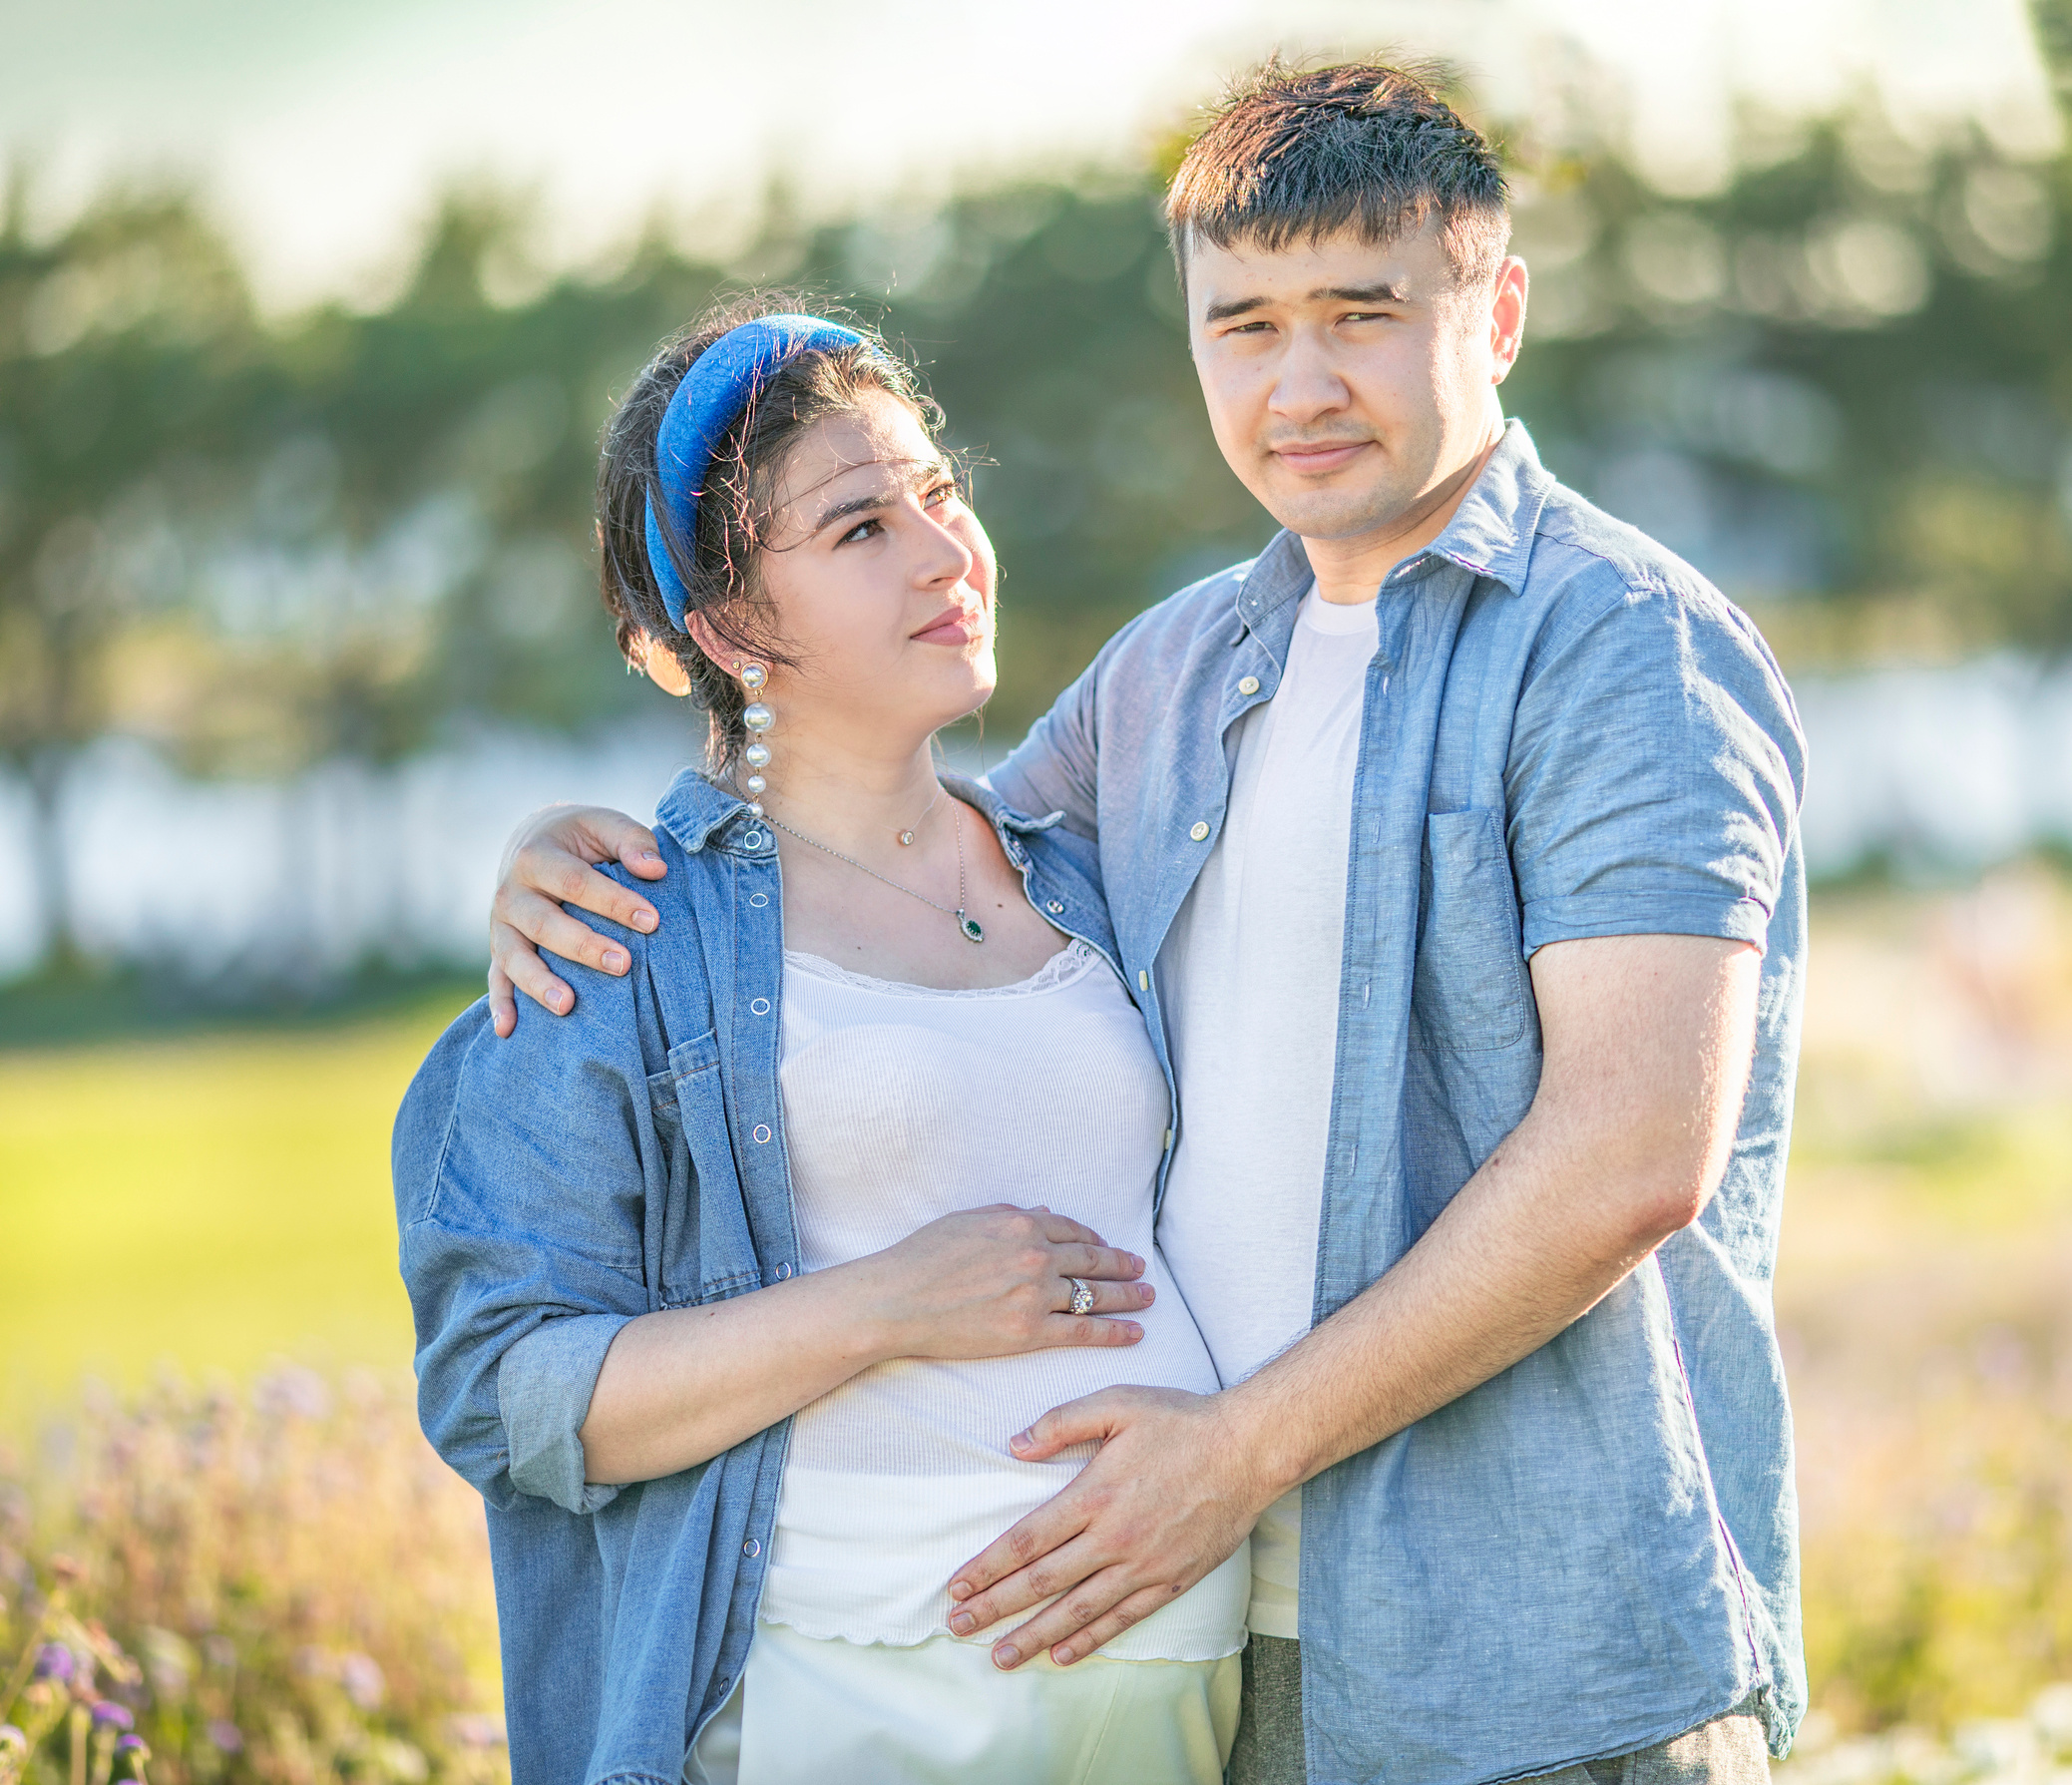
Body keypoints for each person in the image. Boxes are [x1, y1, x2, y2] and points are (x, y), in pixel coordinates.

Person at [485, 63, 1809, 1785]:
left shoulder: (1621, 645)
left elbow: (1629, 1155)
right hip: (1231, 1653)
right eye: (1244, 326)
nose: (1300, 384)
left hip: (1532, 1653)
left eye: (1363, 314)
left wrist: (1236, 1450)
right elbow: (894, 850)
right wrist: (559, 848)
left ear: (1496, 313)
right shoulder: (1173, 671)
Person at [395, 305, 1251, 1785]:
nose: (944, 552)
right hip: (855, 1699)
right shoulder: (618, 940)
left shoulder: (1085, 863)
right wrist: (887, 1304)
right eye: (862, 527)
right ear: (732, 632)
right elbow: (503, 1391)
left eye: (939, 492)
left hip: (1175, 1709)